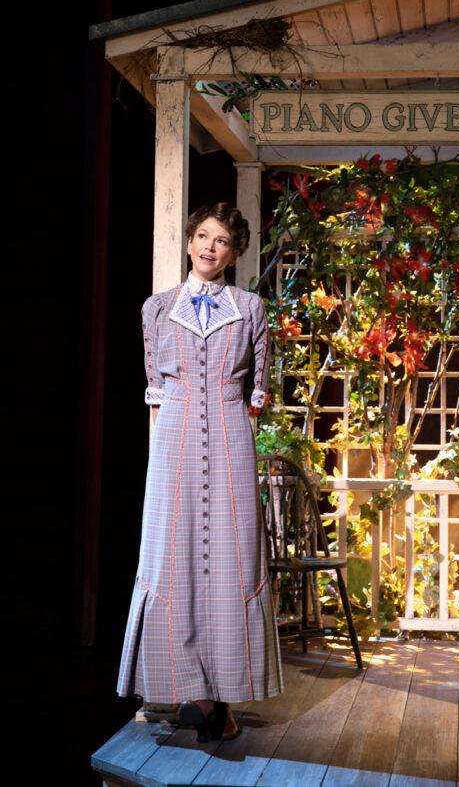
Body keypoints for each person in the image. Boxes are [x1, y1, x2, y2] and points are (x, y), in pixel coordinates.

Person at [116, 202, 284, 741]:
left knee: (231, 561)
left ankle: (222, 700)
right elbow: (156, 390)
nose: (211, 247)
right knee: (175, 558)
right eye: (203, 237)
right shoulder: (157, 307)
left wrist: (231, 412)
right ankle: (185, 690)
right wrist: (166, 457)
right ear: (190, 242)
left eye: (223, 241)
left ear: (234, 253)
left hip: (233, 436)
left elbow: (259, 387)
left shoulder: (251, 307)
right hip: (175, 440)